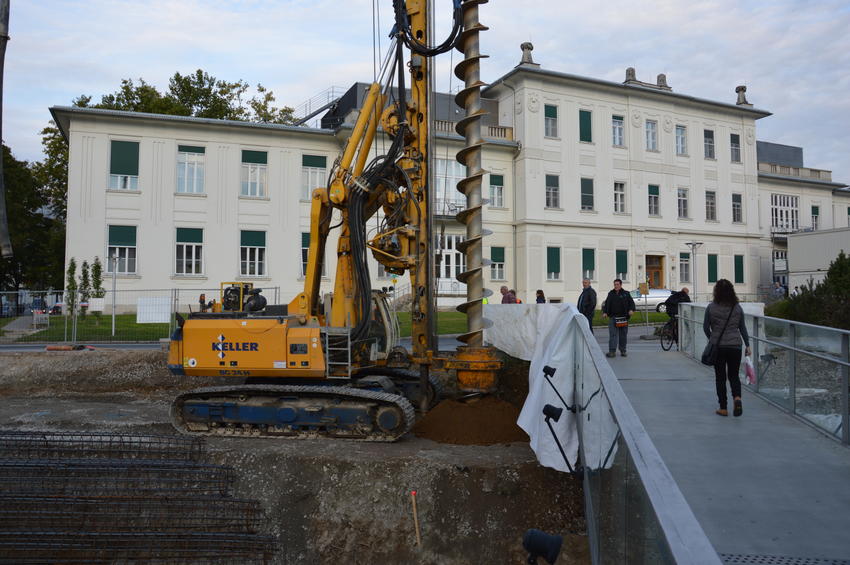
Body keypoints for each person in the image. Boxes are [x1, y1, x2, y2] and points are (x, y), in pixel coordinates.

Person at [703, 279, 751, 417]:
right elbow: (742, 327)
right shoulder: (737, 307)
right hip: (735, 345)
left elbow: (706, 327)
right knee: (734, 375)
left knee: (720, 378)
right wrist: (747, 344)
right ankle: (737, 398)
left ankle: (723, 408)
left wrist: (713, 338)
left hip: (718, 347)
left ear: (716, 291)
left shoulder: (711, 307)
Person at [601, 279, 635, 357]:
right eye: (615, 284)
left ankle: (623, 350)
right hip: (613, 317)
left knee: (623, 335)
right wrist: (605, 312)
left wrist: (631, 310)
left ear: (620, 285)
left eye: (617, 284)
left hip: (623, 318)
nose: (616, 286)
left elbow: (632, 304)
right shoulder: (611, 294)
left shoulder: (626, 294)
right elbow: (606, 304)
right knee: (613, 335)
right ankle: (612, 351)